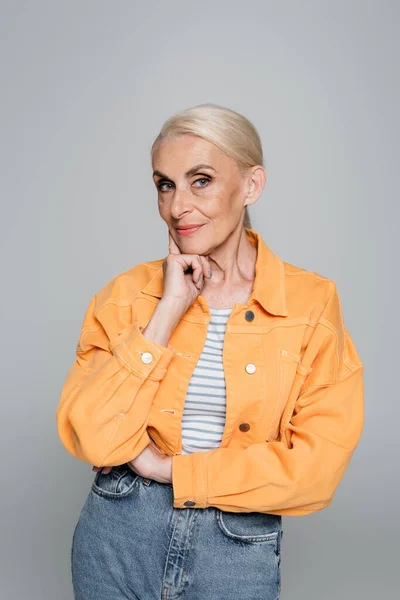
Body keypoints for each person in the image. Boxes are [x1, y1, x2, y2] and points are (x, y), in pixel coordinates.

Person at [56, 103, 364, 600]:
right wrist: (169, 309)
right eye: (165, 185)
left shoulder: (311, 304)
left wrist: (171, 470)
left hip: (235, 548)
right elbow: (93, 437)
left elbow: (315, 469)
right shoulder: (128, 296)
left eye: (200, 180)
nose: (178, 207)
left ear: (251, 185)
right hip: (117, 532)